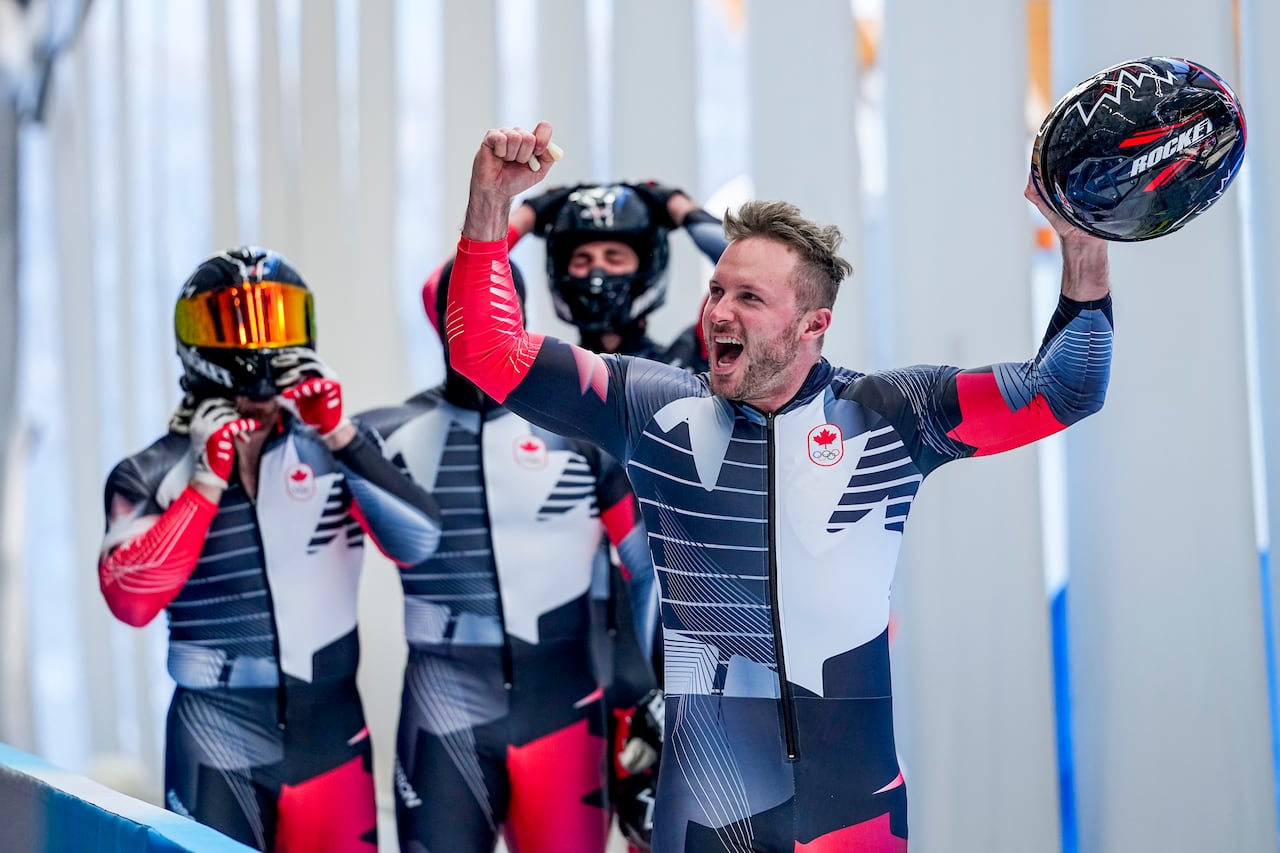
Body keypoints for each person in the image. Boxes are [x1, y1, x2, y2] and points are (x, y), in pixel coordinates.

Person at [444, 122, 1114, 852]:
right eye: (716, 291)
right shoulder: (653, 407)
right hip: (707, 804)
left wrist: (1083, 238)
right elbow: (484, 347)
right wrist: (490, 203)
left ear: (812, 325)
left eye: (749, 298)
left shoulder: (892, 414)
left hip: (854, 804)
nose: (718, 312)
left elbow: (1067, 387)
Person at [97, 247, 442, 853]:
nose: (257, 345)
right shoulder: (150, 472)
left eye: (276, 319)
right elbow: (131, 602)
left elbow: (420, 543)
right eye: (233, 322)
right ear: (195, 340)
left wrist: (341, 435)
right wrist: (205, 483)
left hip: (332, 735)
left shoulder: (335, 449)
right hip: (216, 736)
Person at [357, 260, 657, 853]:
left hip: (564, 707)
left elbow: (650, 572)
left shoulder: (581, 433)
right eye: (458, 308)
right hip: (443, 709)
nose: (476, 323)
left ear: (520, 315)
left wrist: (658, 691)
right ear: (437, 318)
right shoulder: (381, 435)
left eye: (494, 305)